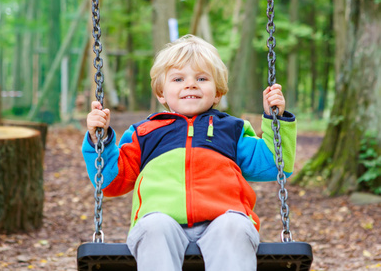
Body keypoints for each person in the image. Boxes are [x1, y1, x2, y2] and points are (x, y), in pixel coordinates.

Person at [82, 34, 296, 271]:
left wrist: (276, 120)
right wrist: (98, 139)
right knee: (154, 226)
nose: (190, 84)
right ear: (161, 93)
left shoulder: (232, 130)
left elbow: (274, 164)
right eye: (178, 79)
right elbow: (111, 181)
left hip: (222, 218)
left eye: (202, 78)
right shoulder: (143, 133)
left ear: (217, 92)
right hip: (162, 221)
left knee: (235, 225)